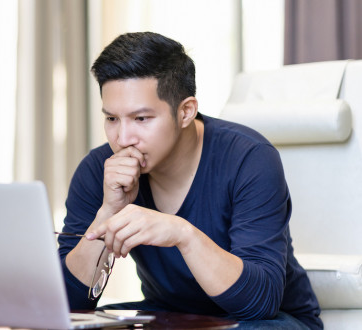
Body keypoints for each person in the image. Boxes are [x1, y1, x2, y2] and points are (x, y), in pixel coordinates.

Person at [57, 32, 322, 329]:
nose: (123, 139)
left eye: (141, 119)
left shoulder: (250, 159)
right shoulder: (99, 170)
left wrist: (183, 234)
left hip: (265, 320)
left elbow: (259, 302)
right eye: (112, 119)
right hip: (171, 315)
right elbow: (64, 305)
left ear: (185, 112)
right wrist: (107, 213)